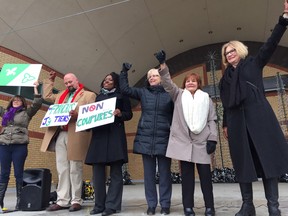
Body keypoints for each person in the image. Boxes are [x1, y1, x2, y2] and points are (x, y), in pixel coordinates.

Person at [219, 2, 288, 216]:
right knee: (243, 165)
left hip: (259, 121)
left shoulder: (253, 64)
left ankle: (273, 206)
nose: (229, 54)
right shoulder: (225, 80)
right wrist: (226, 124)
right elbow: (225, 103)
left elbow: (271, 44)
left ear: (239, 51)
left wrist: (283, 19)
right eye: (226, 53)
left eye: (232, 51)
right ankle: (247, 206)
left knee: (268, 162)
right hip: (237, 124)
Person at [155, 50, 217, 216]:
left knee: (206, 178)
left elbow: (212, 120)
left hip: (202, 143)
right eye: (188, 81)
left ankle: (209, 207)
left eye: (194, 81)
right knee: (187, 179)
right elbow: (167, 82)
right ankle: (188, 207)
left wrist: (213, 139)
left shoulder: (206, 99)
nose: (191, 83)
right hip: (183, 143)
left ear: (199, 84)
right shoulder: (178, 95)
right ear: (184, 84)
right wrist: (163, 65)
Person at [119, 62, 174, 215]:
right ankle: (151, 205)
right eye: (149, 76)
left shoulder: (170, 93)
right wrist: (124, 72)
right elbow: (125, 89)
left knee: (165, 175)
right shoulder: (143, 92)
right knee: (148, 175)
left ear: (161, 78)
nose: (152, 78)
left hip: (164, 138)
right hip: (146, 138)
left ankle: (165, 205)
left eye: (155, 75)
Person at [40, 71, 96, 212]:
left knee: (75, 168)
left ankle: (76, 200)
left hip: (76, 134)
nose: (68, 85)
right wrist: (49, 81)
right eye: (65, 83)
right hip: (61, 133)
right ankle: (62, 200)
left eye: (70, 82)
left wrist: (78, 114)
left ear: (77, 81)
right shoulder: (61, 95)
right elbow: (46, 96)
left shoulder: (89, 95)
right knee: (62, 168)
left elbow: (92, 114)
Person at [85, 72, 133, 216]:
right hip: (99, 136)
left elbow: (129, 114)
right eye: (105, 79)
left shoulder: (122, 96)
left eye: (110, 79)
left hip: (114, 136)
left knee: (116, 172)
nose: (107, 81)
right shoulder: (98, 97)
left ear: (116, 82)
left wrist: (120, 114)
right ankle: (99, 205)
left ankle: (111, 205)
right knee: (98, 172)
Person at [0, 82, 42, 211]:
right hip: (4, 145)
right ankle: (0, 199)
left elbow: (37, 104)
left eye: (18, 100)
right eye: (14, 100)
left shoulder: (26, 113)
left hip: (19, 146)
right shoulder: (5, 112)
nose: (16, 101)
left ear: (22, 102)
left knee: (19, 173)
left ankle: (20, 201)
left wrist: (36, 88)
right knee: (4, 173)